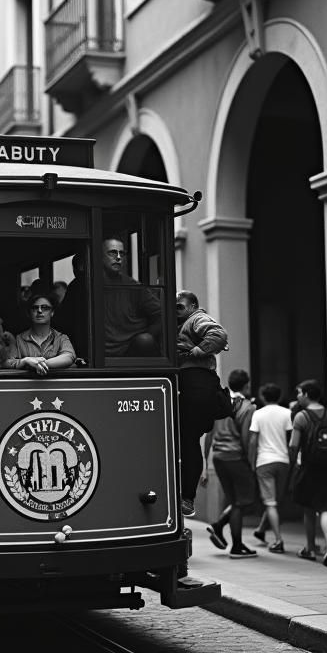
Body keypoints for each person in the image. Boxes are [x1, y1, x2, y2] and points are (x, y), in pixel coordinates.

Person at [175, 290, 229, 517]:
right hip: (190, 385)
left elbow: (218, 334)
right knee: (187, 441)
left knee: (189, 440)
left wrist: (196, 352)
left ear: (193, 305)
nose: (175, 310)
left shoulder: (195, 318)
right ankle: (185, 496)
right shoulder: (180, 323)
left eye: (179, 306)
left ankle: (187, 497)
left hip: (197, 384)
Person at [202, 369, 257, 558]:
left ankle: (219, 527)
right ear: (246, 385)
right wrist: (250, 463)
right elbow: (247, 438)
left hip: (218, 456)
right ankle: (237, 545)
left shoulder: (218, 402)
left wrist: (204, 461)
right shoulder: (247, 407)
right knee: (241, 502)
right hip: (235, 456)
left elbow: (208, 433)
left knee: (234, 501)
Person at [288, 379, 327, 566]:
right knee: (325, 508)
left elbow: (294, 445)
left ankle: (310, 548)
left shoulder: (301, 417)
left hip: (309, 467)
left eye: (299, 392)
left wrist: (293, 463)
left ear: (307, 395)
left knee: (309, 508)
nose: (297, 396)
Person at [248, 383, 291, 553]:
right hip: (283, 461)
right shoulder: (287, 413)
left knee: (270, 502)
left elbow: (253, 441)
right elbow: (290, 438)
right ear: (279, 397)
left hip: (264, 461)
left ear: (263, 397)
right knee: (275, 500)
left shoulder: (258, 414)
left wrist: (252, 462)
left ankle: (279, 540)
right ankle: (260, 529)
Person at [102, 237, 162, 357]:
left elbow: (159, 314)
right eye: (113, 252)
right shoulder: (86, 284)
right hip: (98, 355)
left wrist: (142, 340)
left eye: (122, 253)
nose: (118, 257)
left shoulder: (133, 286)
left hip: (129, 352)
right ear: (100, 256)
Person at [1, 294, 75, 375]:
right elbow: (5, 363)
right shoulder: (18, 339)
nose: (39, 311)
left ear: (52, 312)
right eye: (35, 308)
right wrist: (26, 361)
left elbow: (69, 356)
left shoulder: (61, 338)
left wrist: (38, 364)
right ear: (29, 313)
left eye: (45, 308)